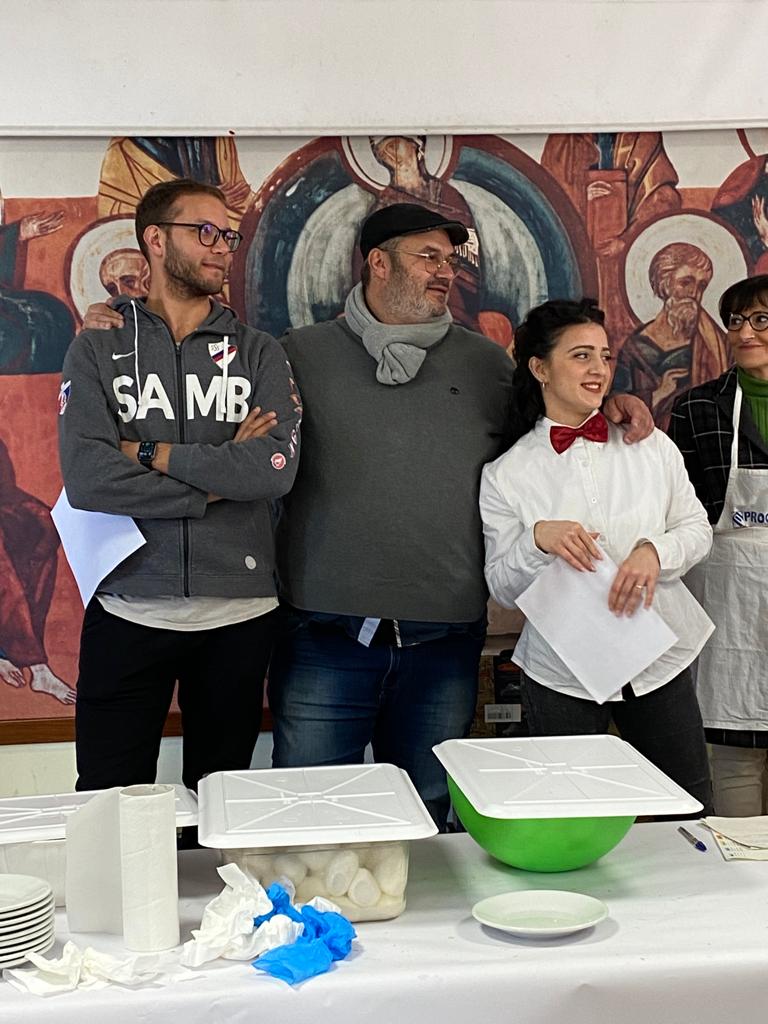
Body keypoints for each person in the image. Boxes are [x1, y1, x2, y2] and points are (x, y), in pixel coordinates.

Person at [80, 201, 652, 829]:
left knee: (430, 819)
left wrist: (612, 403)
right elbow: (235, 436)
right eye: (428, 257)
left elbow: (551, 435)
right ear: (378, 263)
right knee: (312, 817)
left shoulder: (488, 364)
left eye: (451, 259)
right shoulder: (298, 354)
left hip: (443, 641)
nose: (446, 271)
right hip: (323, 636)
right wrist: (120, 323)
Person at [58, 178, 300, 791]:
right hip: (127, 603)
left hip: (239, 611)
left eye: (229, 236)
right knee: (110, 801)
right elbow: (88, 478)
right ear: (156, 240)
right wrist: (216, 483)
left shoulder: (259, 353)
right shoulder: (99, 348)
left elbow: (274, 468)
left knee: (221, 805)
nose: (222, 247)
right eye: (206, 231)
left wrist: (145, 452)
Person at [480, 298, 714, 814]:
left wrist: (655, 552)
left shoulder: (649, 445)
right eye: (581, 355)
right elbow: (501, 587)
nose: (599, 370)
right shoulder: (506, 475)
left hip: (658, 660)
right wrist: (537, 540)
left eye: (605, 356)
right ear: (540, 368)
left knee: (688, 810)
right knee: (571, 817)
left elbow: (697, 529)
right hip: (562, 672)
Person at [669, 275, 768, 815]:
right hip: (727, 606)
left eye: (761, 320)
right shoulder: (697, 409)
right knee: (733, 762)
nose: (744, 332)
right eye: (736, 321)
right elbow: (679, 512)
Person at [613, 242, 730, 430]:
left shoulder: (717, 344)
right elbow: (616, 406)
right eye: (686, 282)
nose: (694, 293)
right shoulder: (634, 347)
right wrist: (660, 393)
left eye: (701, 286)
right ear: (664, 283)